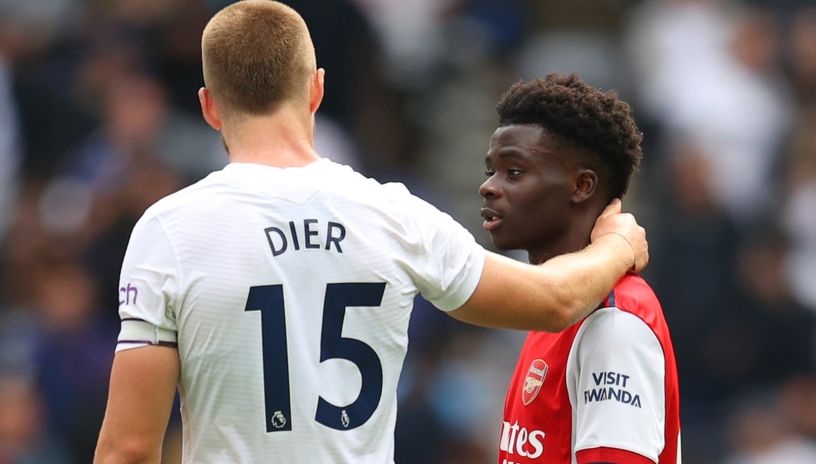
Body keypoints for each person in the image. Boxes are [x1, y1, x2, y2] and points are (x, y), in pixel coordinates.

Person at [93, 2, 649, 463]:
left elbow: (129, 451)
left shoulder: (170, 231)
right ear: (316, 90)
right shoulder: (393, 216)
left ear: (210, 107)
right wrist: (618, 243)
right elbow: (555, 299)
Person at [485, 73, 680, 464]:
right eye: (491, 170)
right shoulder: (555, 304)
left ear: (582, 186)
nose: (489, 186)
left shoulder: (614, 319)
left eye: (515, 173)